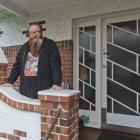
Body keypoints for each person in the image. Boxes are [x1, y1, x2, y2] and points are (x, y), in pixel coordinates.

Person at [2, 23, 62, 99]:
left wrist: (57, 82)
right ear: (29, 34)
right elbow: (17, 66)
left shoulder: (50, 45)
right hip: (25, 90)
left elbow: (55, 64)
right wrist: (10, 81)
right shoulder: (24, 48)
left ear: (41, 32)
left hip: (44, 89)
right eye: (32, 32)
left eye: (37, 31)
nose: (34, 34)